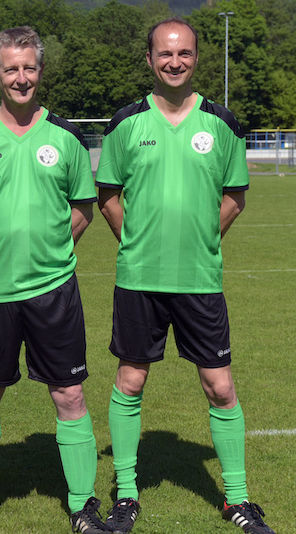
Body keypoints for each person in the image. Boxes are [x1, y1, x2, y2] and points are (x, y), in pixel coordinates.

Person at [95, 18, 275, 534]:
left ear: (197, 58)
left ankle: (238, 499)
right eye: (165, 54)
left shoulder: (222, 124)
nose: (175, 62)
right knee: (130, 381)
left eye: (185, 54)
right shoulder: (126, 123)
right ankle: (126, 495)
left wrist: (201, 237)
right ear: (149, 60)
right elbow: (108, 195)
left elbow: (234, 197)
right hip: (139, 279)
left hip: (199, 278)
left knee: (220, 387)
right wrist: (137, 241)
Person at [0, 26, 112, 534]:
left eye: (29, 68)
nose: (21, 78)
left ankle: (83, 505)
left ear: (41, 72)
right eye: (11, 69)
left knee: (70, 395)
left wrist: (49, 251)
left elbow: (82, 210)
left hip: (54, 289)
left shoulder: (65, 137)